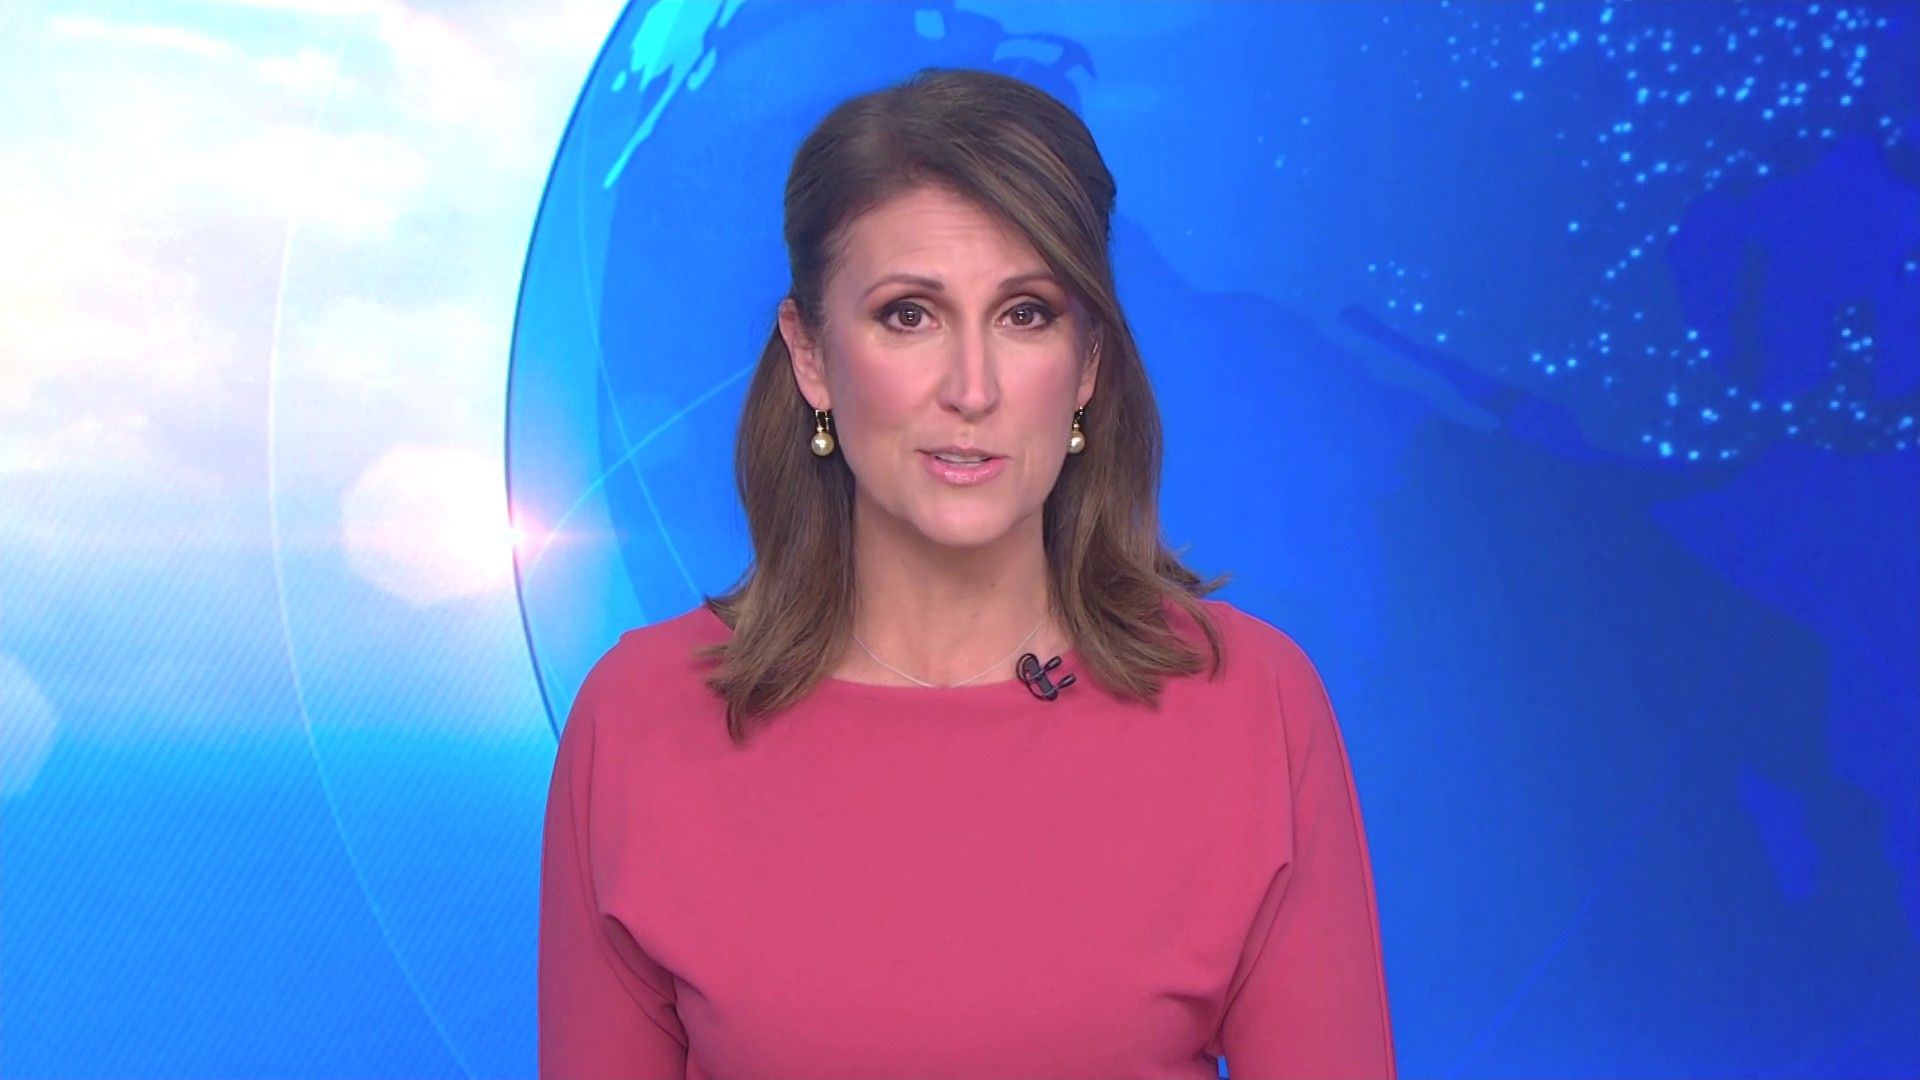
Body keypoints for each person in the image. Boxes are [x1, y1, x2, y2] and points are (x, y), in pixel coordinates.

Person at [539, 67, 1395, 1079]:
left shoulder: (1252, 707)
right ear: (810, 355)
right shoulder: (638, 720)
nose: (973, 390)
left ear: (1087, 363)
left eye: (1025, 314)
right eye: (910, 315)